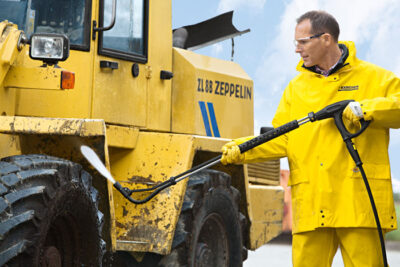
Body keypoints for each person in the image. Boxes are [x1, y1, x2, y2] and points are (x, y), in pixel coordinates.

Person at [221, 10, 400, 267]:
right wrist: (243, 149)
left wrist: (367, 109)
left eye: (302, 42)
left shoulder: (375, 78)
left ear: (326, 39)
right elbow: (282, 137)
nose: (297, 49)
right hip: (313, 206)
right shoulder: (296, 88)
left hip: (358, 202)